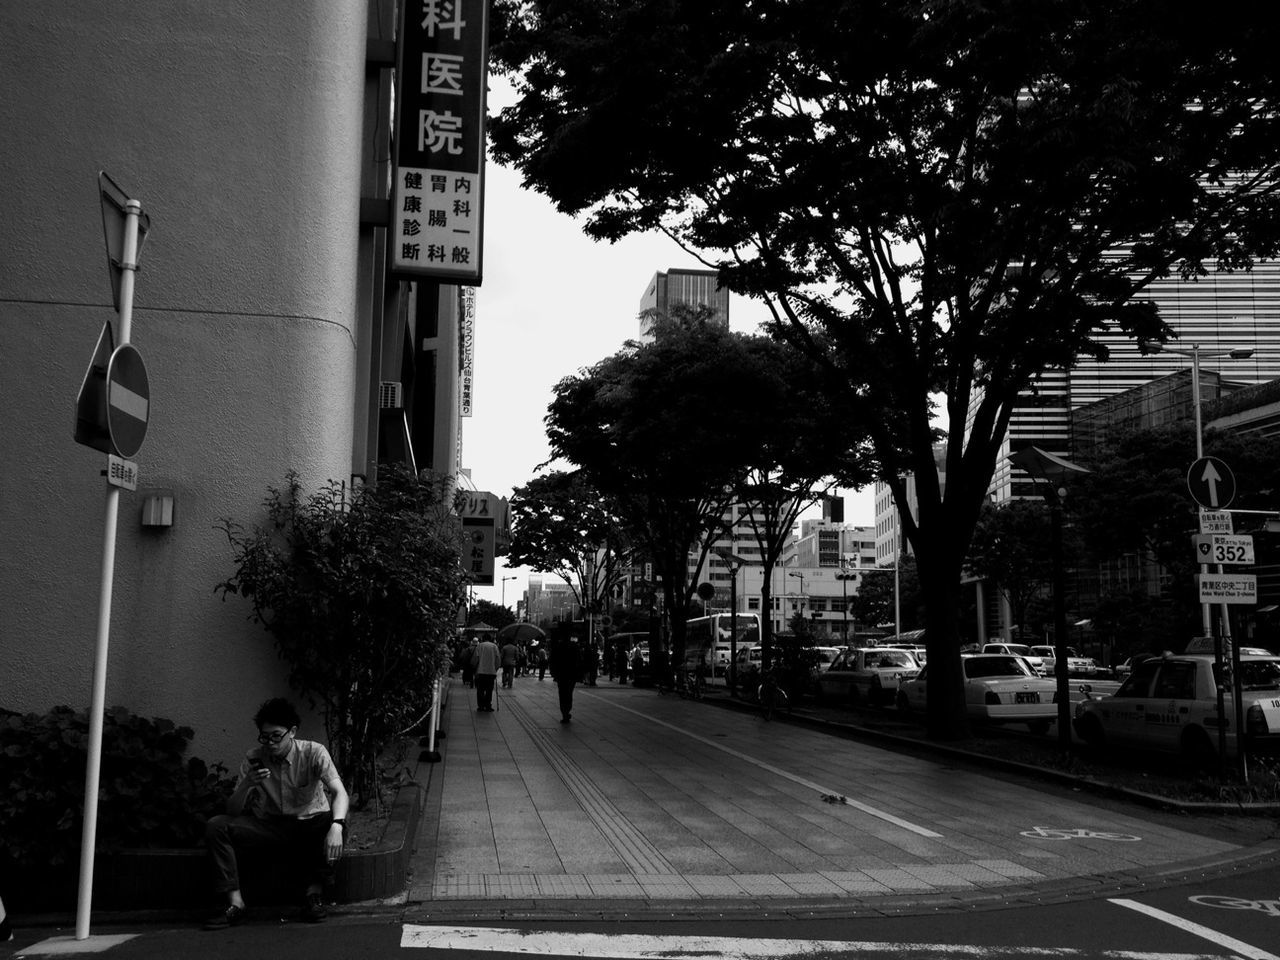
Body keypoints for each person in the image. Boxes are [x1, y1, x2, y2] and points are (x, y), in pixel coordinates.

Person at [203, 698, 348, 930]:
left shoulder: (313, 752)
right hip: (271, 827)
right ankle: (235, 904)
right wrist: (246, 785)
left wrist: (337, 825)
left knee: (334, 824)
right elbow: (232, 811)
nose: (269, 742)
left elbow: (339, 792)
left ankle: (314, 897)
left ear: (292, 732)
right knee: (217, 825)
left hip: (310, 825)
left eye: (276, 735)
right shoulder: (254, 758)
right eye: (264, 736)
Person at [549, 627, 582, 723]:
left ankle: (564, 712)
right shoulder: (575, 647)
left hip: (561, 674)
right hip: (571, 674)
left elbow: (552, 660)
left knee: (562, 693)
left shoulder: (557, 647)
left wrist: (553, 672)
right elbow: (578, 661)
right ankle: (567, 710)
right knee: (569, 693)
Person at [472, 634, 500, 710]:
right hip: (491, 672)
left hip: (480, 672)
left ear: (482, 639)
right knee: (489, 690)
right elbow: (498, 660)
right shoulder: (494, 646)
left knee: (480, 689)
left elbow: (475, 659)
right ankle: (488, 705)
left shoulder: (479, 646)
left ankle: (481, 706)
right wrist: (495, 669)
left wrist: (474, 668)